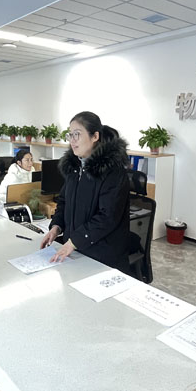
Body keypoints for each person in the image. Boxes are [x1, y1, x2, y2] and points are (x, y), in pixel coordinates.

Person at [40, 111, 130, 272]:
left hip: (102, 256)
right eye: (70, 135)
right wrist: (56, 227)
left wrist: (74, 242)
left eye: (77, 134)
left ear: (95, 136)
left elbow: (107, 217)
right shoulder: (75, 167)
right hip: (75, 250)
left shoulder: (113, 171)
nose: (72, 140)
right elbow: (63, 201)